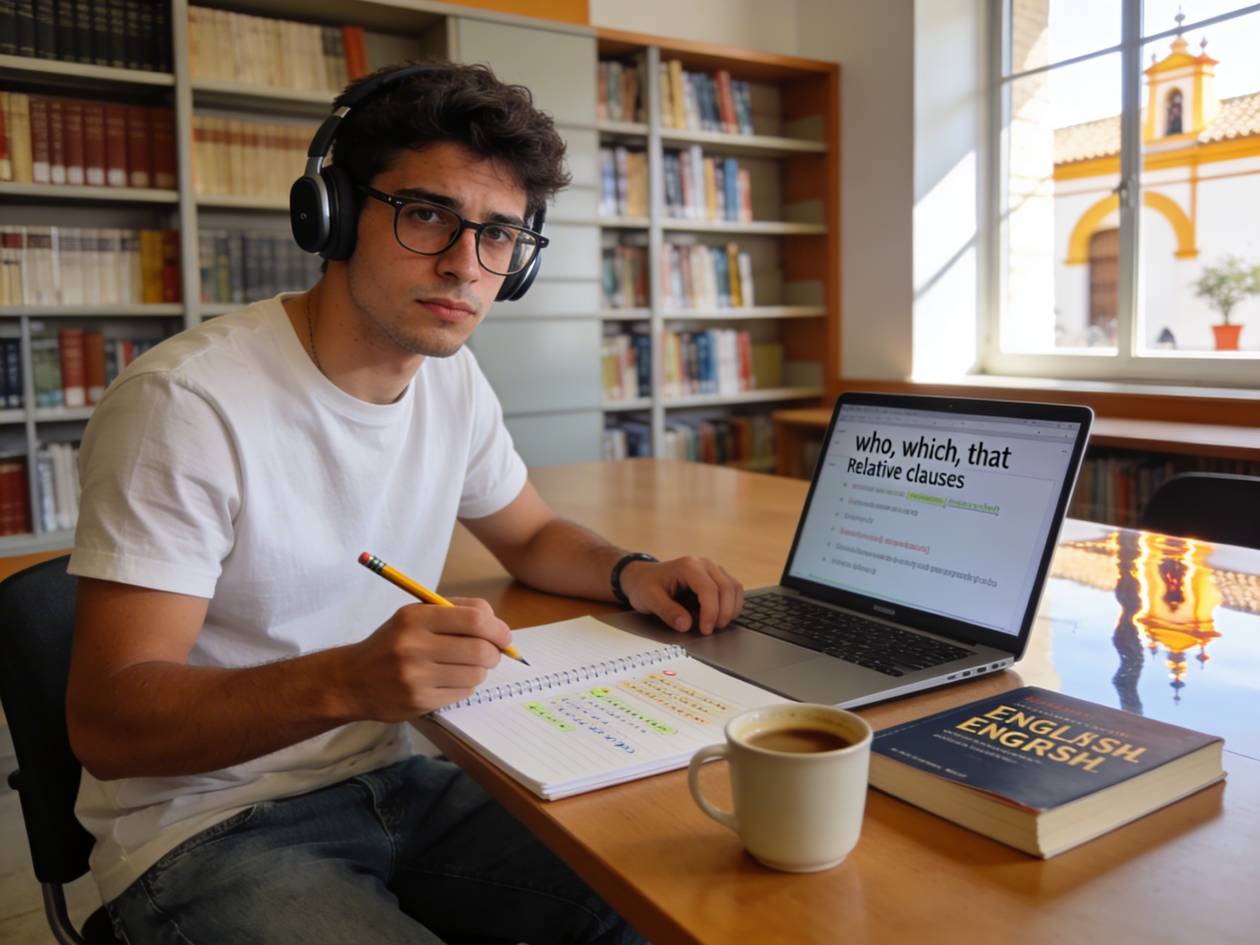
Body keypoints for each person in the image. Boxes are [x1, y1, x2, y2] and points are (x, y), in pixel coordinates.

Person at [65, 60, 745, 945]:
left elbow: (531, 532)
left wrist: (633, 573)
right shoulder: (186, 405)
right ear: (333, 213)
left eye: (499, 235)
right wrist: (348, 678)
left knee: (665, 915)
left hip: (399, 781)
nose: (466, 265)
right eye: (427, 214)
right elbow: (109, 723)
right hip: (207, 826)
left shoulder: (450, 380)